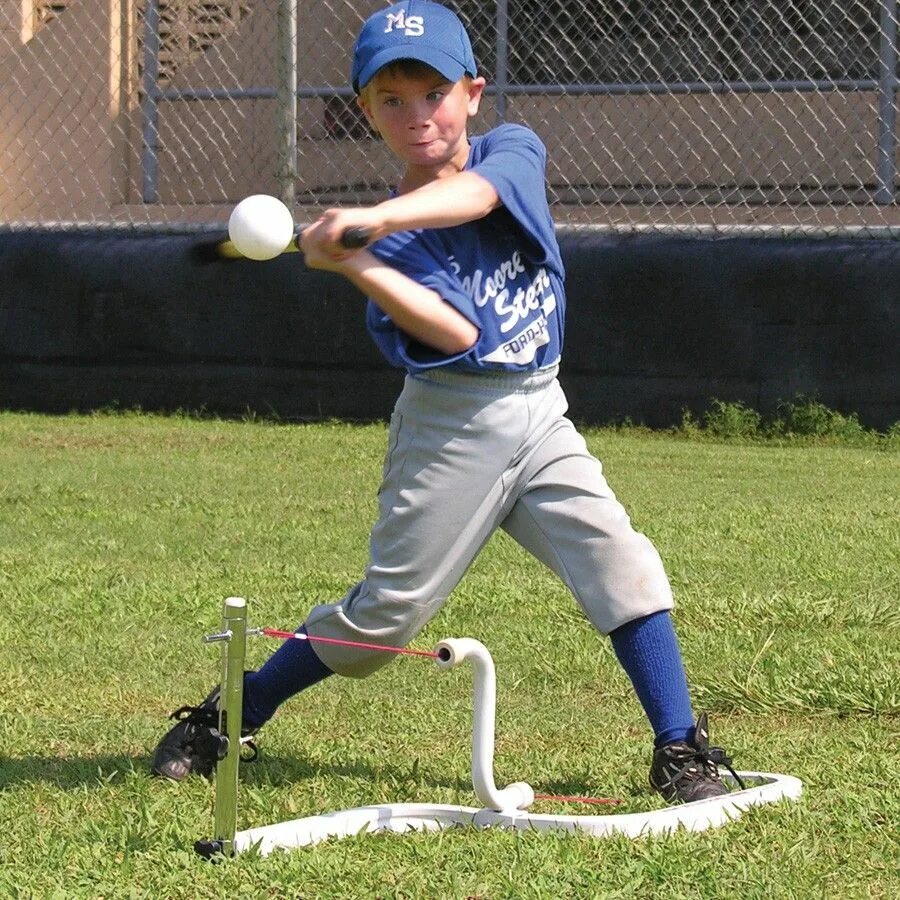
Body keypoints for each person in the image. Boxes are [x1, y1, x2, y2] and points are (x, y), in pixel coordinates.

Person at [152, 0, 741, 804]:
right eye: (391, 100)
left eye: (433, 92)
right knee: (378, 628)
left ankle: (680, 748)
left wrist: (370, 220)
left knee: (623, 564)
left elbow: (477, 199)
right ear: (367, 112)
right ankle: (236, 710)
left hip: (540, 409)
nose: (417, 114)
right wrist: (361, 261)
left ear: (473, 92)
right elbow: (456, 330)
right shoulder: (388, 251)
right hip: (453, 428)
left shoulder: (512, 151)